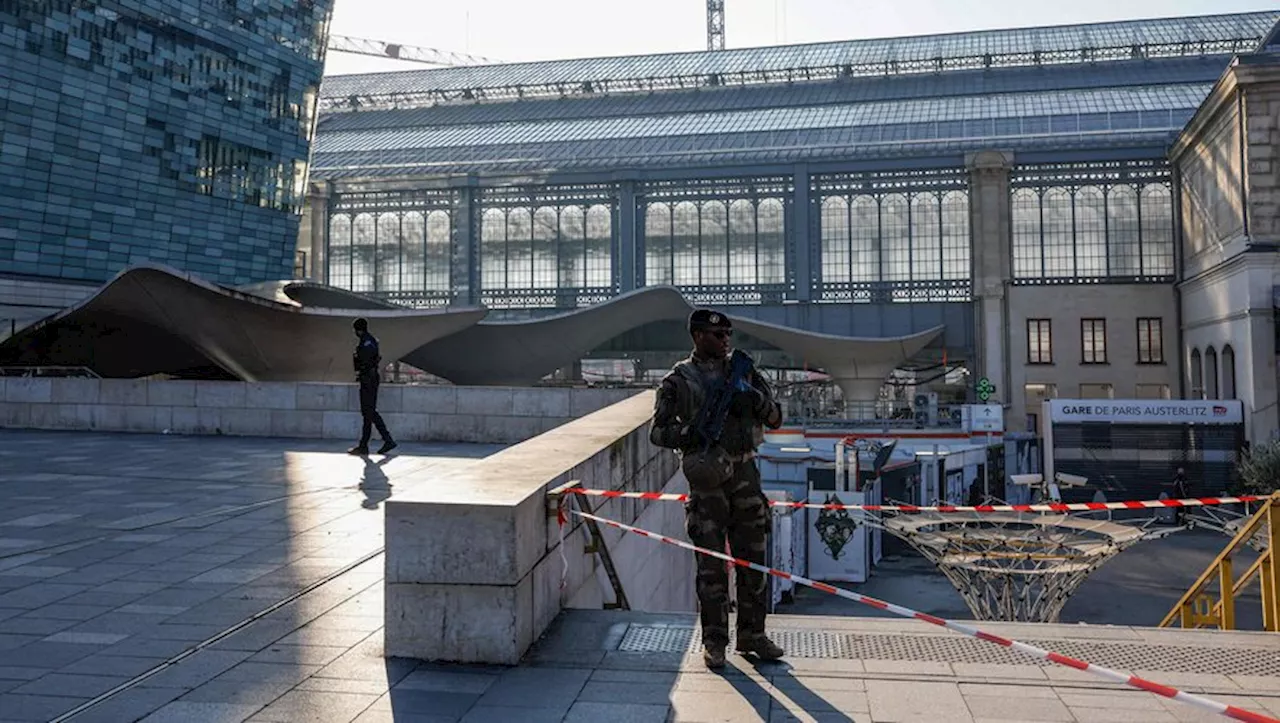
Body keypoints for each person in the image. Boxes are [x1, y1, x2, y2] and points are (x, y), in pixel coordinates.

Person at [649, 308, 785, 669]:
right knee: (711, 565)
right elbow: (657, 432)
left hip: (744, 473)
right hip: (708, 480)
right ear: (697, 336)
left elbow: (776, 417)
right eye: (717, 336)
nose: (725, 341)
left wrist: (754, 401)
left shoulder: (744, 371)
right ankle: (715, 642)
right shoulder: (679, 381)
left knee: (753, 560)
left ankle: (753, 635)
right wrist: (688, 434)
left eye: (728, 335)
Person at [349, 318, 396, 456]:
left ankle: (369, 444)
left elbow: (366, 361)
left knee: (368, 412)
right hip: (370, 378)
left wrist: (358, 360)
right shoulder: (370, 340)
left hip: (368, 379)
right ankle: (383, 440)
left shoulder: (367, 342)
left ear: (358, 329)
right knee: (369, 412)